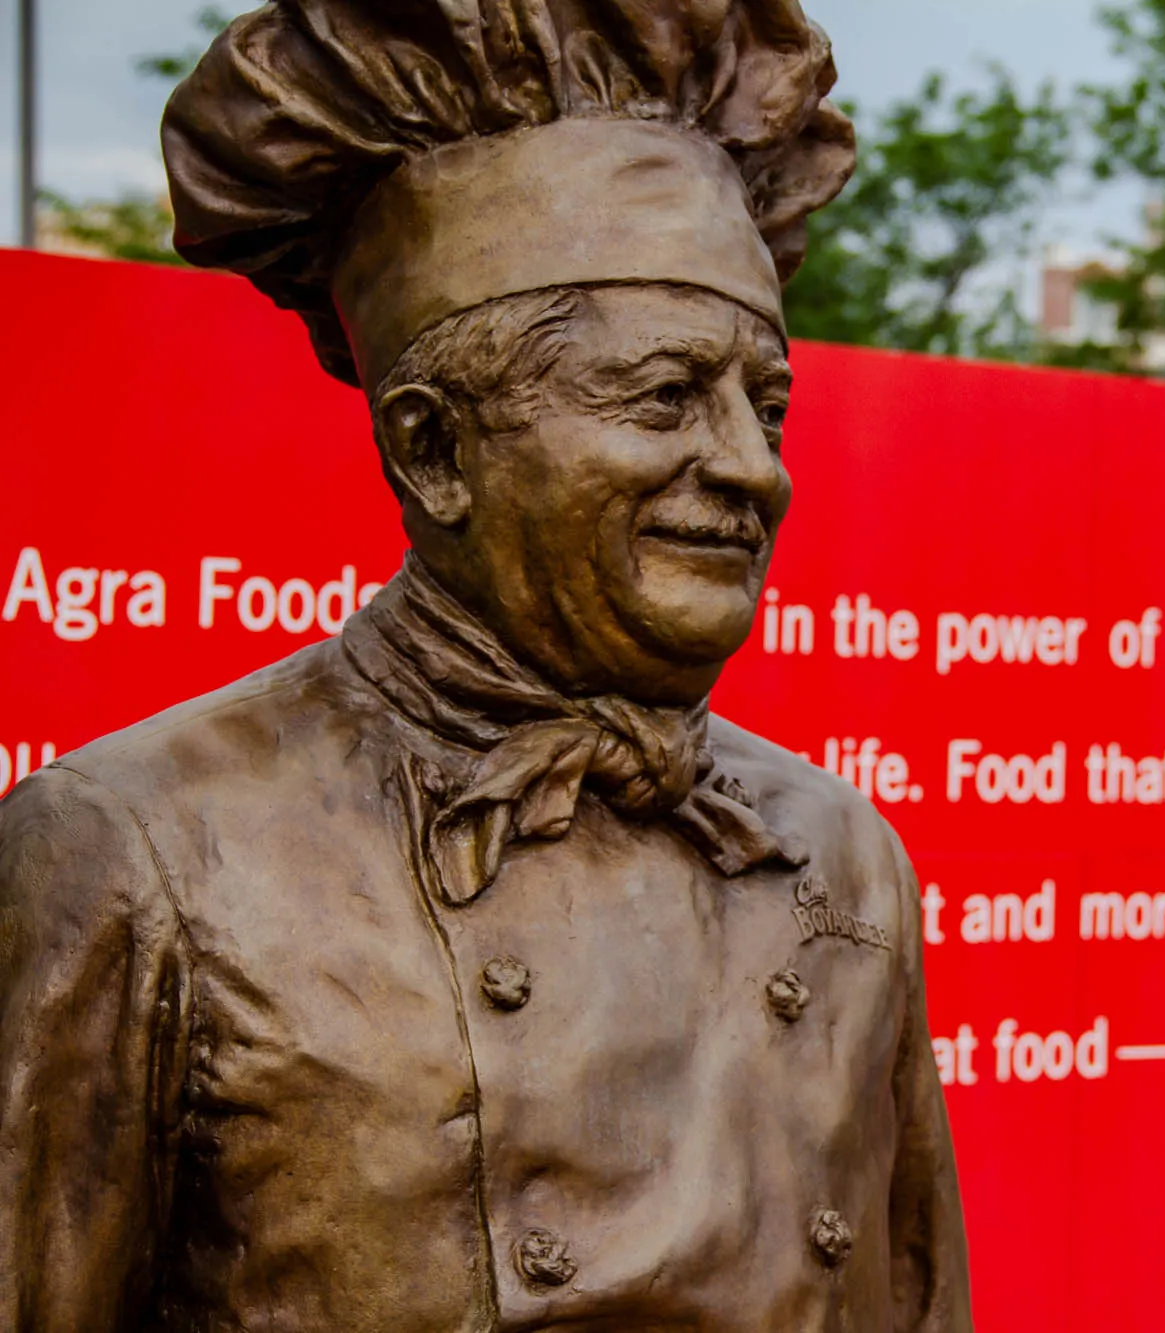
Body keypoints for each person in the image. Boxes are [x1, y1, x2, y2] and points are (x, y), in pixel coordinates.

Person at [0, 2, 973, 1328]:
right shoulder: (142, 849)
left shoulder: (837, 847)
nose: (754, 468)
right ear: (435, 449)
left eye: (769, 404)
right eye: (667, 399)